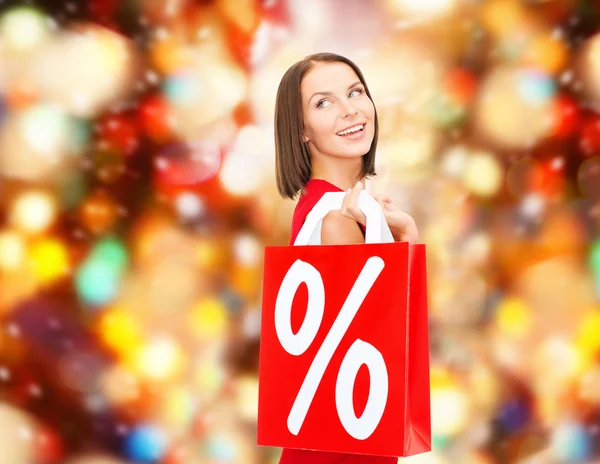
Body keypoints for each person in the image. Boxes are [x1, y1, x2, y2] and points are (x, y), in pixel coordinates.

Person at [273, 52, 420, 464]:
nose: (349, 109)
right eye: (324, 102)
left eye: (355, 92)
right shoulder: (337, 221)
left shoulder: (319, 207)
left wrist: (404, 235)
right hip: (343, 450)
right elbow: (378, 361)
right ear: (301, 130)